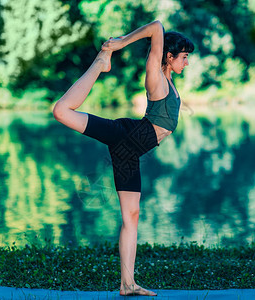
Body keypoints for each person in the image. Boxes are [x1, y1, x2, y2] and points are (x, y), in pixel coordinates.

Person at [53, 20, 194, 296]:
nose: (187, 62)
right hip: (123, 135)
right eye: (184, 57)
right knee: (61, 111)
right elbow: (156, 26)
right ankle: (99, 65)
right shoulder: (155, 74)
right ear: (168, 56)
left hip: (129, 152)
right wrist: (119, 43)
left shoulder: (170, 79)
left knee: (132, 217)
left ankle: (127, 284)